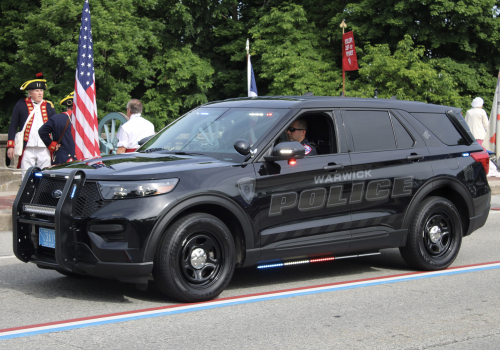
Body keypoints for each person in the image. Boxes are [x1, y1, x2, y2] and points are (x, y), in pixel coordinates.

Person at [7, 73, 56, 176]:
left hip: (44, 147)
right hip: (27, 147)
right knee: (26, 175)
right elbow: (13, 125)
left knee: (45, 175)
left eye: (41, 90)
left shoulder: (49, 106)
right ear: (30, 93)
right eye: (37, 91)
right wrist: (10, 146)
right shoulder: (21, 105)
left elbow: (55, 127)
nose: (40, 93)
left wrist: (55, 144)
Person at [38, 92, 77, 165]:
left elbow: (42, 131)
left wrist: (52, 145)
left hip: (61, 158)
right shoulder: (86, 121)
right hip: (81, 159)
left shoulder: (57, 118)